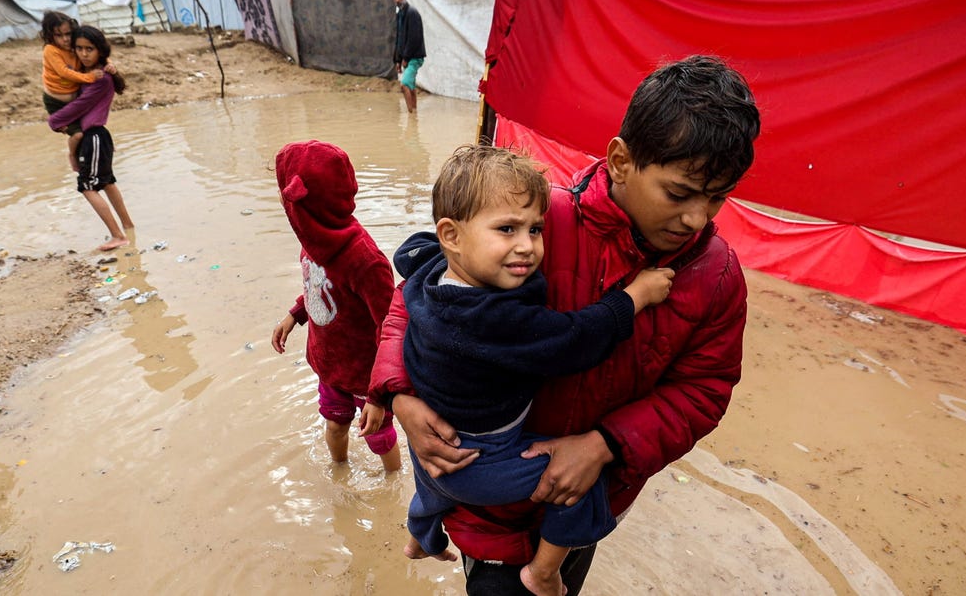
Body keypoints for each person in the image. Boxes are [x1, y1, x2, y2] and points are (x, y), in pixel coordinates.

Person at [367, 54, 761, 594]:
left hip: (589, 495)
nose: (697, 217)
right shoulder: (532, 223)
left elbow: (704, 390)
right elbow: (416, 299)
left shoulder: (715, 277)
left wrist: (604, 445)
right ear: (621, 161)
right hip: (490, 511)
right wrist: (400, 396)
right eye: (679, 193)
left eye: (717, 198)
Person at [361, 145, 674, 596]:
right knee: (581, 483)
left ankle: (420, 537)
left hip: (430, 436)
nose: (527, 246)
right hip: (480, 457)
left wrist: (390, 393)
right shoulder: (489, 317)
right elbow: (576, 338)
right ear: (451, 235)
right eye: (506, 229)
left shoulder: (431, 270)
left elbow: (409, 257)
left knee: (433, 486)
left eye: (536, 228)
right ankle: (543, 572)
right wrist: (637, 295)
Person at [270, 140, 402, 473]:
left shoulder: (365, 262)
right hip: (330, 366)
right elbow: (318, 287)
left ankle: (392, 486)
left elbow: (391, 328)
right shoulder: (312, 241)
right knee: (334, 426)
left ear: (301, 205)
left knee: (379, 437)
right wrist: (294, 315)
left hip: (366, 375)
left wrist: (377, 395)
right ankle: (339, 474)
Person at [48, 26, 134, 252]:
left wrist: (54, 121)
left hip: (94, 136)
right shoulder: (92, 74)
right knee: (106, 182)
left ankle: (118, 236)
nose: (84, 54)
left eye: (89, 49)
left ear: (100, 50)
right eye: (79, 49)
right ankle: (128, 227)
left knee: (87, 186)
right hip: (98, 137)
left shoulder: (100, 78)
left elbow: (79, 106)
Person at [39, 11, 114, 172]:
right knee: (78, 134)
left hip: (74, 99)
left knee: (89, 128)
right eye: (58, 35)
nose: (65, 39)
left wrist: (109, 64)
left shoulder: (74, 47)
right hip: (56, 103)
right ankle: (72, 155)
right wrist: (89, 78)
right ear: (49, 36)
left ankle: (101, 153)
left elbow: (98, 53)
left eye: (68, 34)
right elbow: (64, 72)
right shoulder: (51, 50)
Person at [391, 0, 425, 113]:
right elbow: (400, 38)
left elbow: (414, 38)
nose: (397, 0)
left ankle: (411, 115)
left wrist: (405, 57)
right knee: (410, 86)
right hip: (407, 57)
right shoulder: (400, 14)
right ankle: (414, 111)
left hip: (414, 57)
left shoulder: (412, 13)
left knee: (404, 84)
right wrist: (398, 61)